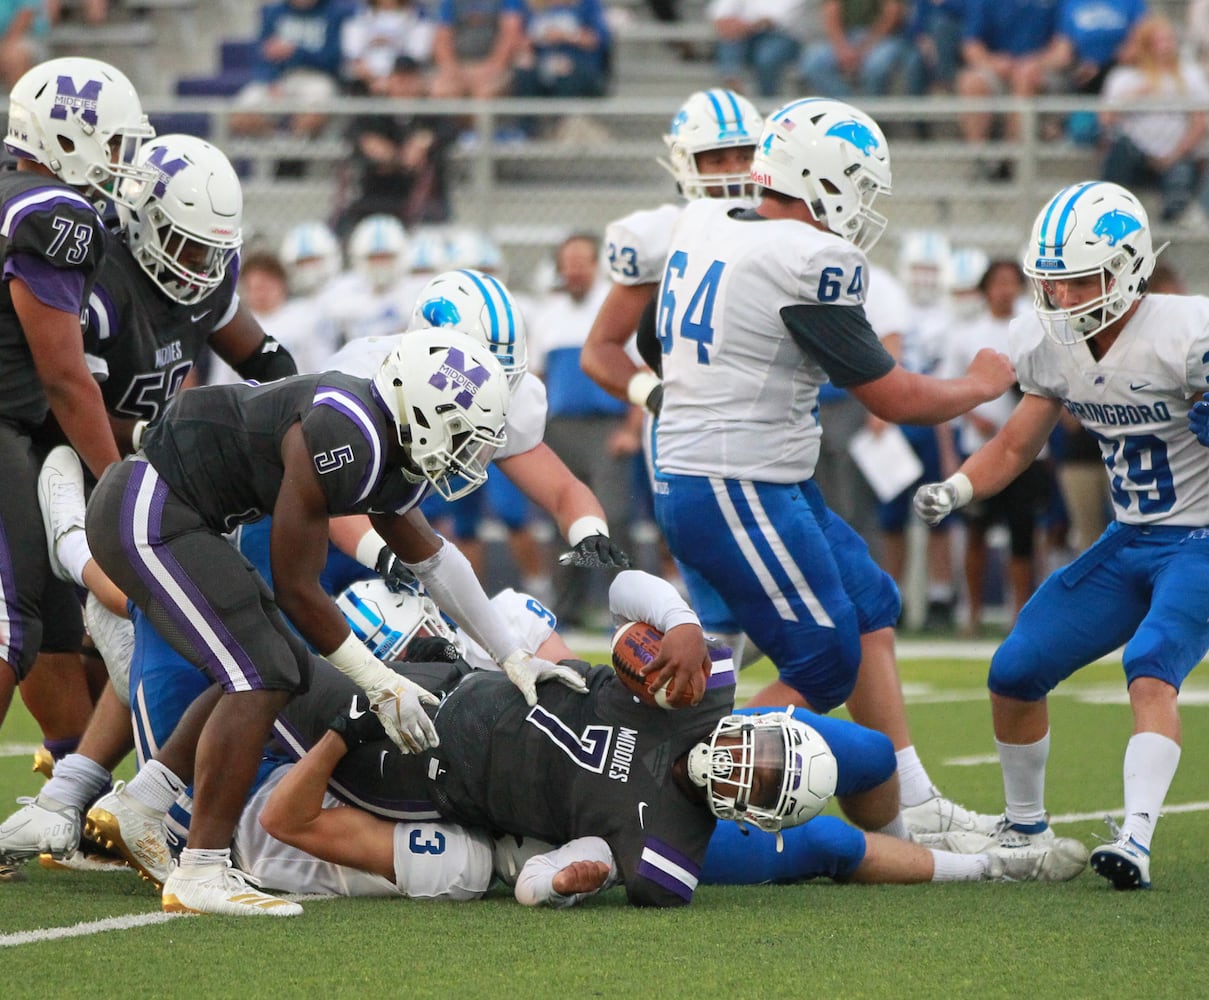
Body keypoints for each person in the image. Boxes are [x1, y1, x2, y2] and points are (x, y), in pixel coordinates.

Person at [81, 329, 587, 916]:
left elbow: (433, 558)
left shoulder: (389, 439)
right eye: (460, 435)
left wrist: (512, 654)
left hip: (184, 513)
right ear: (420, 409)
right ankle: (201, 868)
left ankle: (143, 803)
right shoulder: (342, 431)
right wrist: (378, 681)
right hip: (148, 507)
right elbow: (298, 588)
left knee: (282, 665)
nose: (467, 455)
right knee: (262, 673)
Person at [645, 98, 1018, 838]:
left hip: (745, 474)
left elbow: (660, 357)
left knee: (871, 602)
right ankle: (662, 782)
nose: (865, 205)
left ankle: (907, 802)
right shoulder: (805, 257)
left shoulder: (704, 220)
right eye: (860, 185)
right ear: (822, 179)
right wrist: (981, 382)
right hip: (733, 483)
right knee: (821, 663)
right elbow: (894, 395)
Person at [0, 132, 300, 870]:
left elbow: (266, 361)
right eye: (186, 248)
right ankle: (88, 791)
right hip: (72, 464)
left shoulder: (207, 276)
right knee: (83, 623)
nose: (199, 269)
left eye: (210, 253)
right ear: (138, 218)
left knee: (138, 633)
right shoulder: (94, 278)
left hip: (150, 474)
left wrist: (278, 418)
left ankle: (73, 793)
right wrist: (137, 460)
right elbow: (70, 399)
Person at [913, 180, 1209, 891]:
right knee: (1014, 670)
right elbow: (1014, 446)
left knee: (1150, 661)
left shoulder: (1186, 330)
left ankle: (1133, 840)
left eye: (1081, 282)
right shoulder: (1049, 342)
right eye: (1056, 284)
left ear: (1128, 266)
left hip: (1200, 537)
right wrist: (956, 488)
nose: (1066, 300)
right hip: (1130, 537)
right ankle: (1025, 830)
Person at [0, 57, 155, 752]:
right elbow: (64, 376)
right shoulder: (53, 211)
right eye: (115, 143)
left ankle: (71, 793)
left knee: (45, 623)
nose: (119, 162)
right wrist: (117, 478)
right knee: (11, 623)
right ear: (69, 136)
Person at [530, 233, 639, 629]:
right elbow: (536, 378)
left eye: (582, 262)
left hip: (606, 428)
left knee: (613, 515)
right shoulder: (548, 314)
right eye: (568, 263)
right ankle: (567, 608)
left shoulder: (615, 308)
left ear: (597, 265)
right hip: (561, 430)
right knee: (564, 519)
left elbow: (641, 372)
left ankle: (629, 608)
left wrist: (633, 429)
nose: (574, 270)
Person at [938, 259, 1048, 635]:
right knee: (976, 532)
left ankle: (1021, 612)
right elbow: (948, 388)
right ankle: (972, 611)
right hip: (981, 448)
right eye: (997, 282)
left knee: (1022, 534)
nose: (1004, 290)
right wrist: (972, 415)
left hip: (1027, 449)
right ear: (985, 288)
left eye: (1011, 282)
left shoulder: (1033, 331)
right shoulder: (966, 334)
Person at [1099, 13, 1209, 226]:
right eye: (1159, 41)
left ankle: (1172, 222)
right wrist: (1136, 95)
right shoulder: (1124, 77)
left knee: (1184, 173)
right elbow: (1105, 119)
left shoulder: (1190, 76)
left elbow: (1200, 121)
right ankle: (1107, 210)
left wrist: (1175, 154)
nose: (1166, 47)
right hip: (1136, 154)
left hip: (1177, 154)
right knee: (1118, 149)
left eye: (1169, 40)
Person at [229, 0, 356, 139]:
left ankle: (294, 153)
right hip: (280, 77)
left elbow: (337, 60)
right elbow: (261, 55)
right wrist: (270, 80)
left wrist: (296, 52)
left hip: (319, 77)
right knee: (240, 115)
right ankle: (278, 147)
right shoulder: (273, 12)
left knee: (314, 112)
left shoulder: (337, 12)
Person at [709, 0, 814, 99]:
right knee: (730, 40)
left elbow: (777, 18)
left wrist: (745, 26)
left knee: (767, 58)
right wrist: (730, 25)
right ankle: (734, 89)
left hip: (784, 37)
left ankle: (767, 99)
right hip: (745, 35)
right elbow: (720, 12)